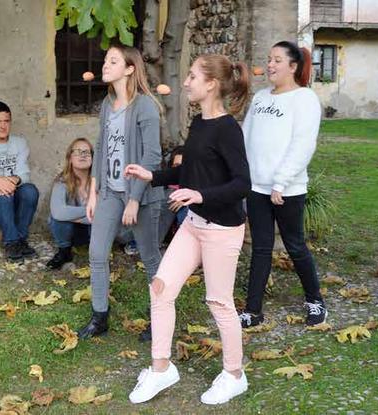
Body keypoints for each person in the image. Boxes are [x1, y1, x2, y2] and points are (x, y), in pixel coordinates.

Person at [124, 53, 252, 405]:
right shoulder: (199, 123)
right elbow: (190, 173)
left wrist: (200, 194)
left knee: (219, 302)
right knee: (160, 289)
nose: (186, 81)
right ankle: (161, 368)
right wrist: (155, 177)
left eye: (192, 76)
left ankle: (234, 375)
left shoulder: (228, 129)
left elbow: (243, 183)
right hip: (194, 225)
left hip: (222, 230)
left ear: (211, 83)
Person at [76, 44, 165, 342]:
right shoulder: (107, 104)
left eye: (112, 61)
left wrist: (134, 199)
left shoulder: (146, 107)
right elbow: (100, 147)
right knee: (97, 253)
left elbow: (152, 158)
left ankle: (161, 319)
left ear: (129, 69)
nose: (104, 64)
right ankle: (99, 317)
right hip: (110, 193)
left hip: (141, 196)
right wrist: (93, 191)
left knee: (151, 258)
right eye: (105, 60)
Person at [239, 41, 326, 329]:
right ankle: (253, 310)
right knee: (261, 248)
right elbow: (245, 137)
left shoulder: (305, 99)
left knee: (295, 245)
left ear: (293, 66)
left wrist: (281, 182)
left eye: (277, 60)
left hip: (286, 190)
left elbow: (302, 145)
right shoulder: (261, 97)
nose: (271, 65)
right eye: (269, 59)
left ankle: (315, 301)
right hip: (256, 187)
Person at [0, 101, 40, 261]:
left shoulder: (20, 143)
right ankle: (11, 242)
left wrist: (12, 180)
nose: (3, 126)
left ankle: (21, 239)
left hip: (14, 189)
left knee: (30, 190)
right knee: (2, 194)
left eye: (6, 121)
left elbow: (24, 174)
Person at [46, 138, 94, 270]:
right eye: (78, 151)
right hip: (71, 232)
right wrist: (90, 210)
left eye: (87, 152)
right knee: (55, 218)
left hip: (95, 231)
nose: (83, 155)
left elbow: (104, 214)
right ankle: (64, 252)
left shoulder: (99, 181)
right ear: (70, 158)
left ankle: (97, 254)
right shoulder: (62, 181)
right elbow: (58, 212)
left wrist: (73, 216)